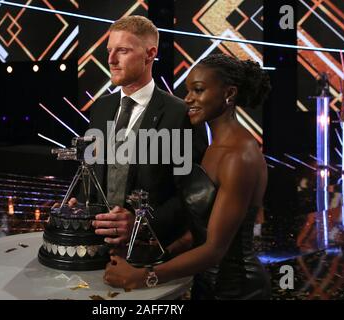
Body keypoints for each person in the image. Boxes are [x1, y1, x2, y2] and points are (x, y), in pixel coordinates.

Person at [104, 53, 272, 300]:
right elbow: (202, 228)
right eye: (188, 90)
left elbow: (215, 249)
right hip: (206, 282)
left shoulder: (240, 156)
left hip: (237, 289)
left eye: (199, 90)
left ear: (229, 93)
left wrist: (145, 276)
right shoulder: (215, 147)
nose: (188, 98)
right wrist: (165, 252)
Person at [69, 16, 208, 248]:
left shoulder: (179, 113)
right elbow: (93, 171)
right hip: (97, 245)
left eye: (122, 50)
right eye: (109, 50)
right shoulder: (101, 107)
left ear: (150, 53)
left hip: (150, 251)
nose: (111, 60)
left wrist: (141, 223)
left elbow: (192, 197)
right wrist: (79, 204)